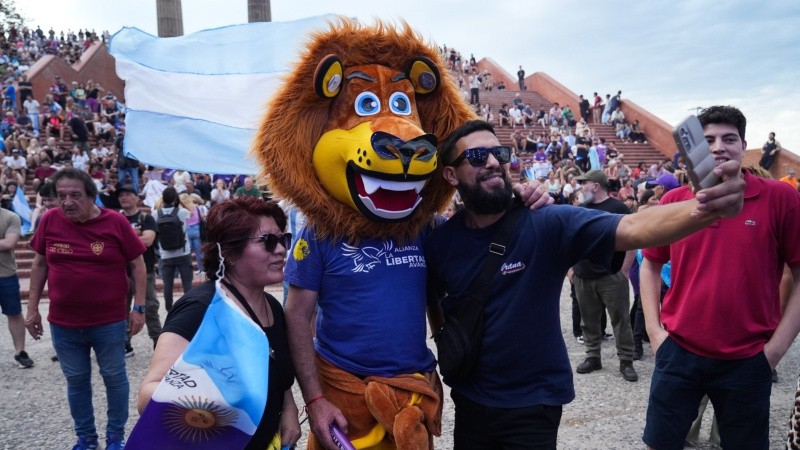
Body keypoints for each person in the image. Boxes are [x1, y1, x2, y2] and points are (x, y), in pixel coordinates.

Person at [424, 120, 745, 449]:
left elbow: (634, 226)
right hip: (470, 400)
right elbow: (434, 299)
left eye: (499, 153)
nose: (493, 162)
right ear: (451, 175)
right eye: (477, 156)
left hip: (533, 405)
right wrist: (446, 345)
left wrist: (708, 208)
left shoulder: (547, 221)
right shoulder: (440, 243)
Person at [640, 106, 800, 450]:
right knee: (661, 443)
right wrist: (655, 333)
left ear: (743, 146)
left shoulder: (780, 198)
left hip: (748, 358)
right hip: (678, 352)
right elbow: (650, 263)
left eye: (729, 139)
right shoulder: (676, 200)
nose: (718, 147)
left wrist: (775, 351)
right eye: (708, 139)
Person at [137, 197, 301, 450]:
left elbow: (275, 370)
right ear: (229, 252)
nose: (280, 249)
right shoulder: (201, 309)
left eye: (283, 239)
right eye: (268, 241)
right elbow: (149, 396)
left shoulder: (273, 307)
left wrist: (287, 408)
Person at [25, 168, 147, 450]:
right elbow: (39, 264)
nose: (67, 202)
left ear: (91, 196)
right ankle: (86, 439)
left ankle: (115, 437)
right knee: (76, 381)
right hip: (64, 324)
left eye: (75, 195)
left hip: (108, 321)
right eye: (61, 196)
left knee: (114, 377)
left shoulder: (115, 222)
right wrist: (32, 309)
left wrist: (138, 307)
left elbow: (138, 264)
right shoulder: (49, 220)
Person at [571, 170, 638, 382]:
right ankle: (593, 357)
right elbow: (570, 240)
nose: (581, 187)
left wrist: (624, 270)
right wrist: (570, 269)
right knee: (588, 320)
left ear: (596, 186)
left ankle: (626, 361)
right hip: (583, 275)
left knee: (621, 319)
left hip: (611, 275)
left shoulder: (618, 209)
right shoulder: (580, 209)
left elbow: (633, 240)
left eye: (584, 183)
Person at [117, 184, 162, 351]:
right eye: (121, 195)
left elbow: (148, 241)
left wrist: (124, 238)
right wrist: (134, 234)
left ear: (137, 198)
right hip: (121, 272)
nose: (124, 198)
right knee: (122, 308)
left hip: (145, 272)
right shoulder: (115, 218)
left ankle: (158, 342)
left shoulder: (147, 218)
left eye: (128, 194)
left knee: (150, 307)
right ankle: (124, 343)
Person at [0, 206, 33, 368]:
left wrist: (4, 242)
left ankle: (20, 352)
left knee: (14, 313)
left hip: (5, 274)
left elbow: (9, 243)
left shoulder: (11, 217)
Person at [153, 186, 194, 311]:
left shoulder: (155, 214)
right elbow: (192, 212)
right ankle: (188, 309)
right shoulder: (182, 212)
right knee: (187, 283)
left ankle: (169, 309)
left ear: (162, 198)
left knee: (167, 285)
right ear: (175, 199)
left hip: (165, 255)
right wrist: (180, 202)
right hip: (183, 253)